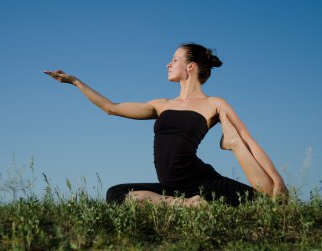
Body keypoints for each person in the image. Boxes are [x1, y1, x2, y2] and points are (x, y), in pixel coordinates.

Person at [44, 43, 288, 207]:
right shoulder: (161, 104)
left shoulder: (214, 103)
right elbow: (111, 108)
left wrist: (278, 181)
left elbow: (249, 140)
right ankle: (186, 205)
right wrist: (76, 82)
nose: (168, 64)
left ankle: (229, 144)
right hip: (172, 187)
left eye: (174, 59)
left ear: (190, 67)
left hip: (202, 181)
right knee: (115, 194)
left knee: (262, 201)